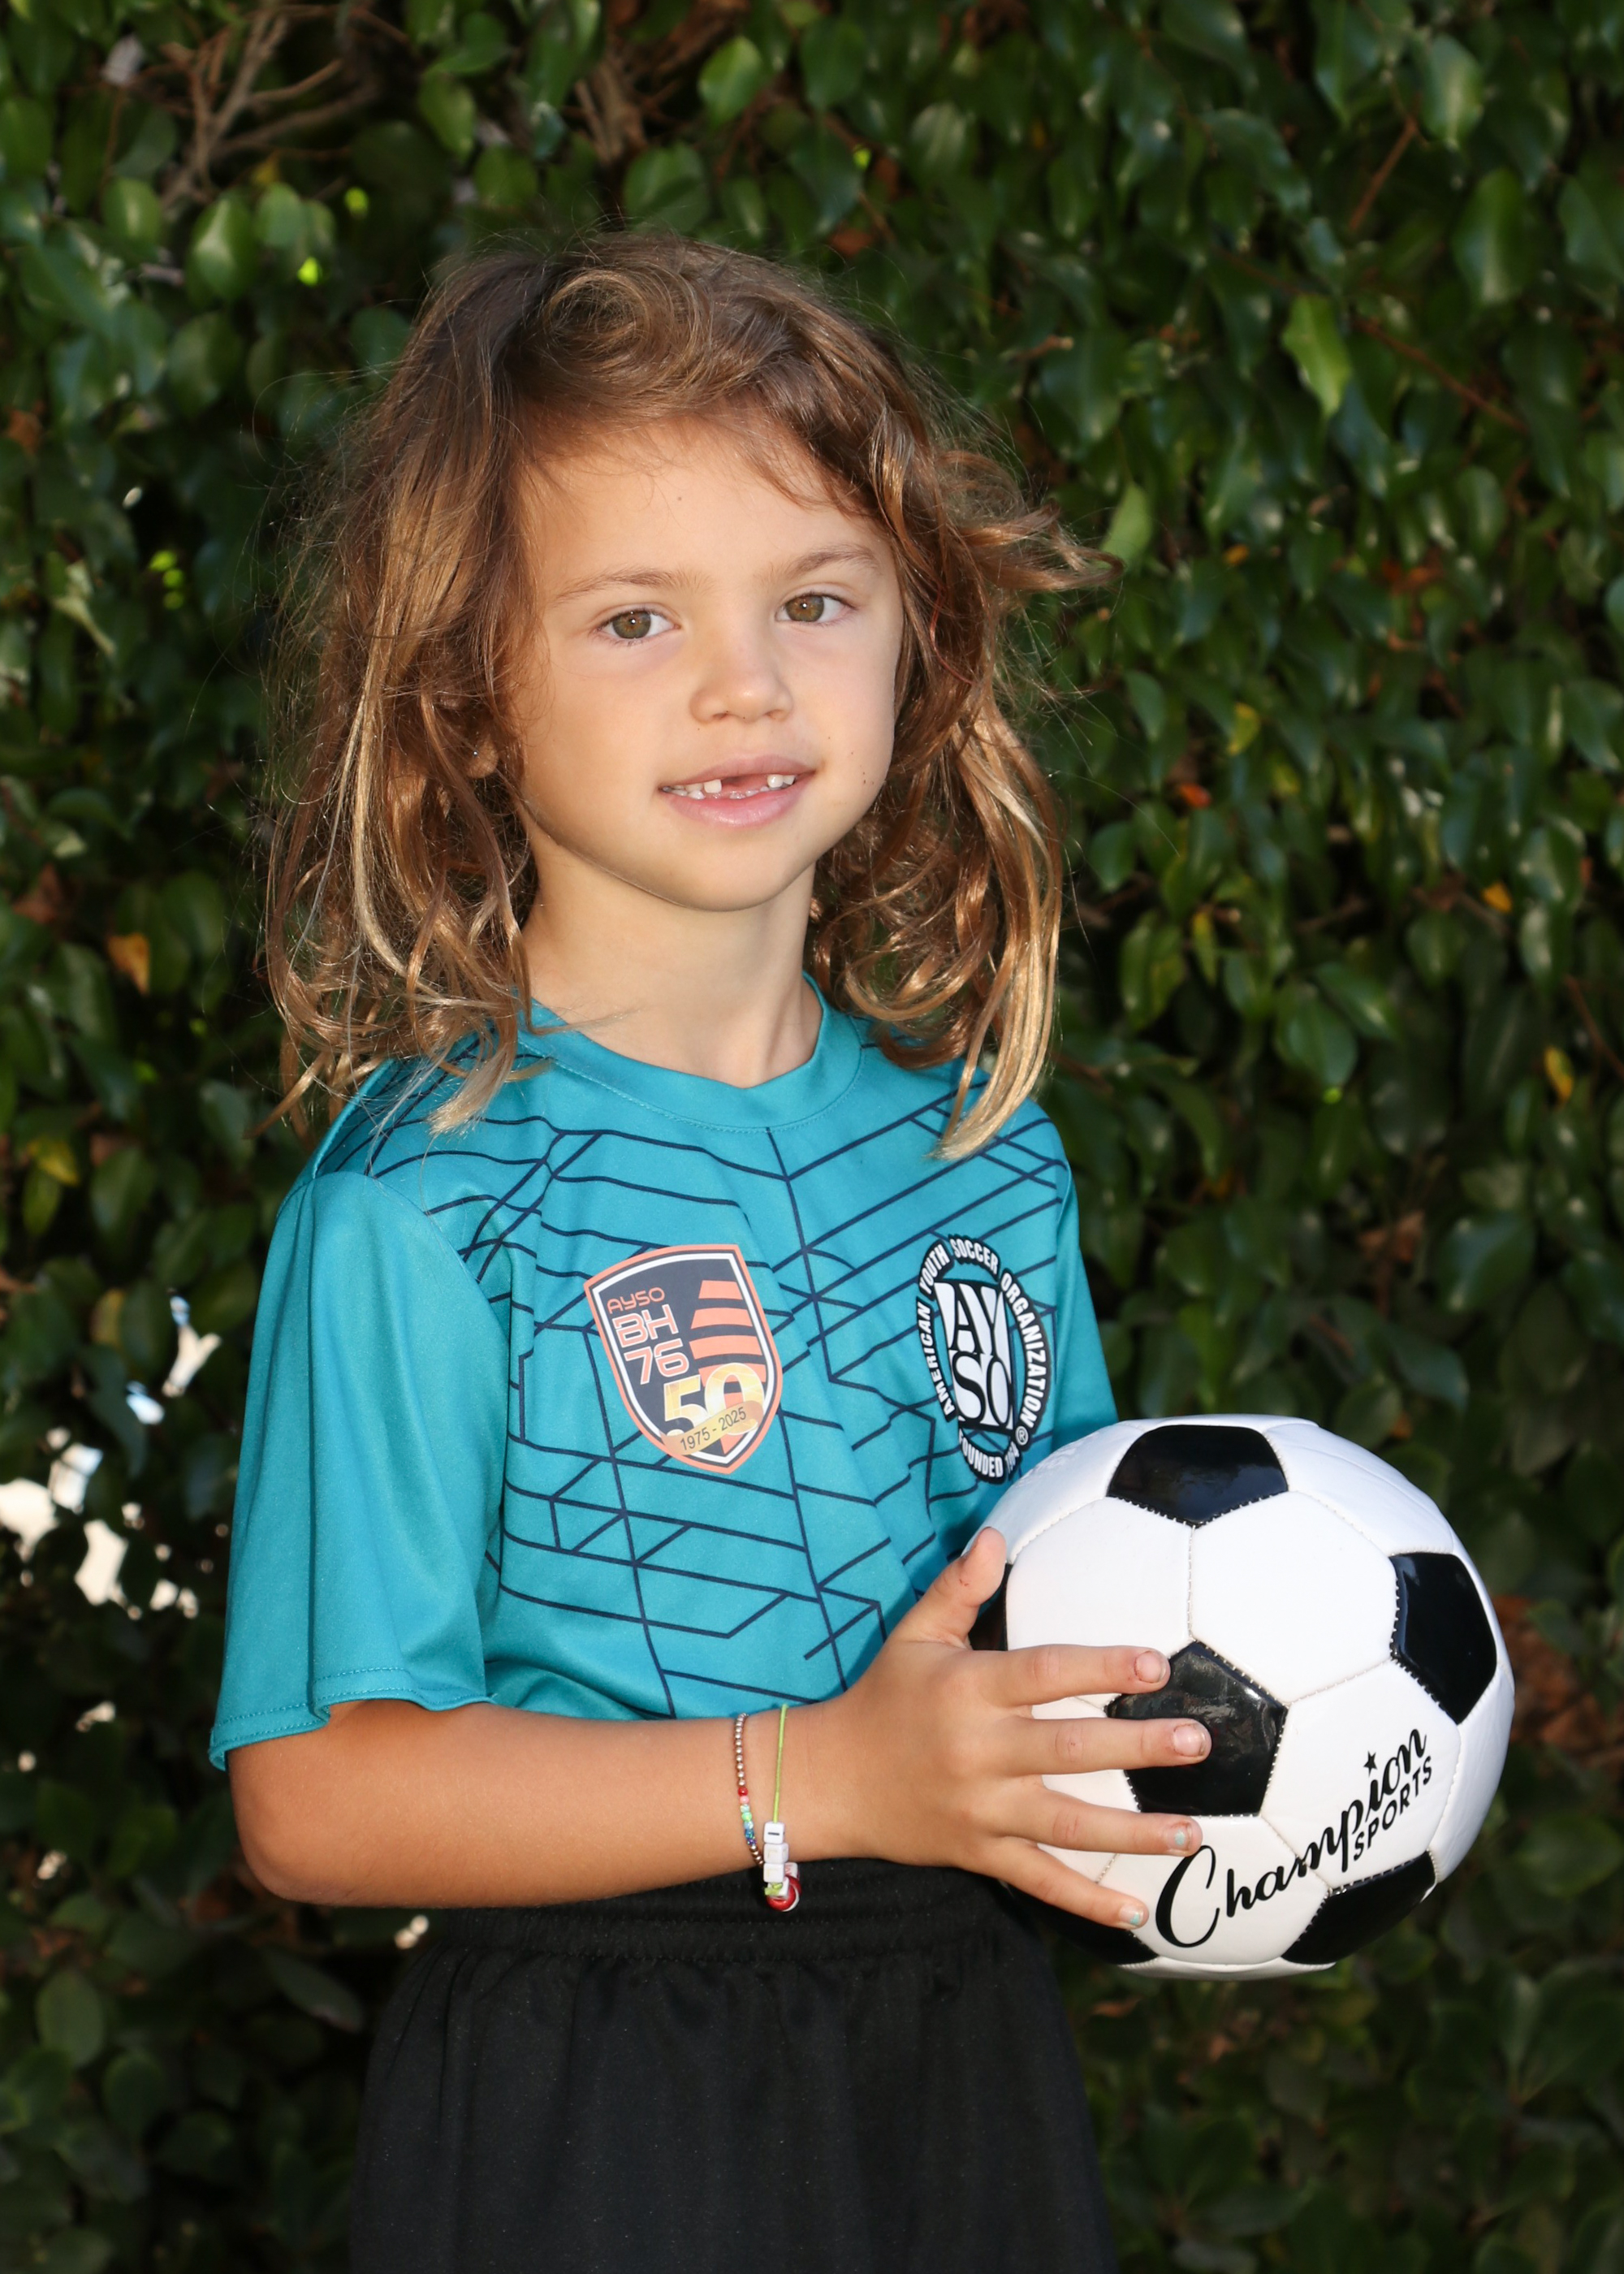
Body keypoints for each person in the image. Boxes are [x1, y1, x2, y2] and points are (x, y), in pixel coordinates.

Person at [214, 236, 1213, 2274]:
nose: (743, 682)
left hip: (958, 2060)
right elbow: (315, 1800)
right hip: (598, 2091)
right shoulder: (420, 1204)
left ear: (916, 638)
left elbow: (1080, 1633)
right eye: (634, 617)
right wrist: (822, 1774)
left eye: (814, 599)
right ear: (466, 700)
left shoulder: (985, 1157)